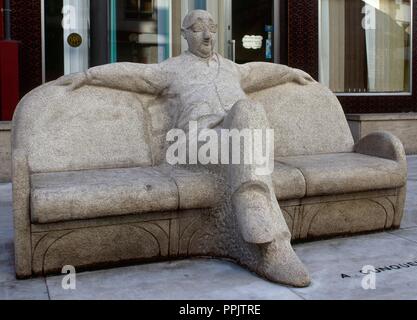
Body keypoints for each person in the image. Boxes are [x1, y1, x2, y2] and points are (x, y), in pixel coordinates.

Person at [57, 10, 315, 287]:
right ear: (184, 35)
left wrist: (290, 72)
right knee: (246, 133)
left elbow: (261, 71)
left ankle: (256, 216)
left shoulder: (232, 68)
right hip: (195, 141)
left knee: (249, 110)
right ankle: (270, 243)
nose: (206, 35)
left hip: (237, 139)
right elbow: (134, 74)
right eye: (197, 28)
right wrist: (89, 75)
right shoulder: (171, 69)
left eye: (211, 28)